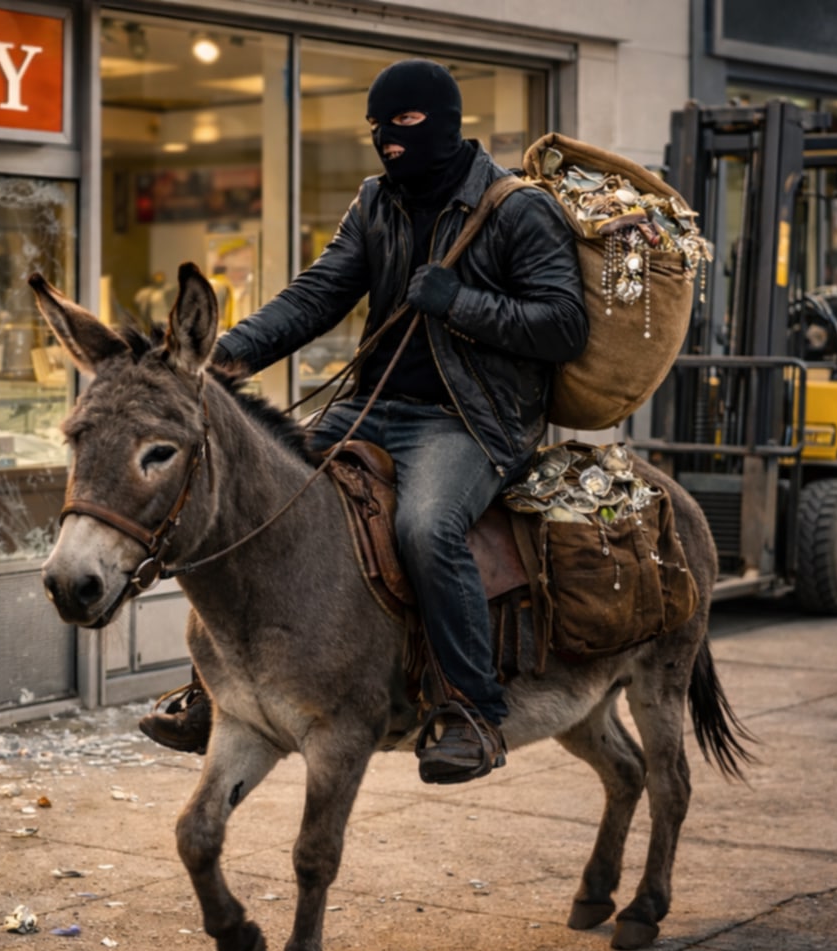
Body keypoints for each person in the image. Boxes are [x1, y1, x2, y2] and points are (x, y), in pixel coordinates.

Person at [138, 58, 587, 783]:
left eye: (404, 124)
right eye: (377, 128)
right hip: (372, 406)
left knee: (425, 528)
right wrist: (227, 357)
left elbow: (565, 327)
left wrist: (460, 303)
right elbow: (316, 295)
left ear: (445, 123)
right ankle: (219, 685)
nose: (388, 141)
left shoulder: (515, 209)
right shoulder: (376, 202)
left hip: (470, 422)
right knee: (265, 497)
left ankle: (471, 708)